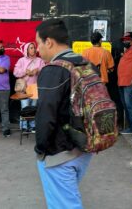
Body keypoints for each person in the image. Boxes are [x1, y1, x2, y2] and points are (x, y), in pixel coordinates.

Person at [35, 19, 93, 208]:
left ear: (49, 42)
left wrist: (41, 149)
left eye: (38, 43)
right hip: (84, 146)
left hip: (60, 153)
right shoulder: (85, 64)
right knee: (68, 198)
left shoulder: (53, 70)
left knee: (65, 205)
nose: (38, 49)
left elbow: (46, 115)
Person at [13, 42, 45, 133]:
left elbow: (45, 71)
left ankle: (32, 126)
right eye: (31, 48)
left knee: (33, 107)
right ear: (26, 50)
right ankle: (24, 127)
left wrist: (38, 70)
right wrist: (25, 72)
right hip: (24, 88)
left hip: (35, 87)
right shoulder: (21, 60)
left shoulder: (40, 60)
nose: (33, 49)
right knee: (25, 107)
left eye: (34, 48)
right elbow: (15, 73)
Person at [117, 32, 132, 135]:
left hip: (130, 83)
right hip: (123, 83)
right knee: (126, 106)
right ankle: (131, 128)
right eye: (124, 40)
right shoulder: (128, 51)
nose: (125, 41)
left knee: (130, 106)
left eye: (127, 39)